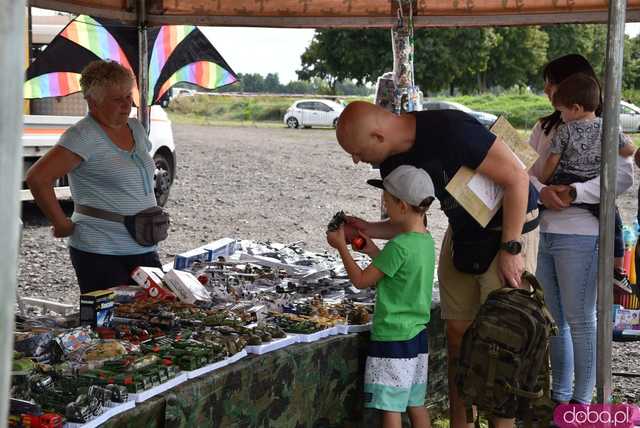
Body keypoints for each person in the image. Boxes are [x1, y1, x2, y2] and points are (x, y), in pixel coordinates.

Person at [336, 101, 539, 428]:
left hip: (510, 230)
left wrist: (512, 248)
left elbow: (516, 178)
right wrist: (367, 229)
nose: (357, 160)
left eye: (357, 152)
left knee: (501, 346)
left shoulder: (451, 130)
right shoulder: (389, 163)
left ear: (377, 135)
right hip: (464, 230)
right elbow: (410, 222)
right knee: (458, 336)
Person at [528, 54, 634, 405]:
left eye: (552, 83)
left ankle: (583, 402)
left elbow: (623, 176)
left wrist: (574, 191)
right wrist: (541, 191)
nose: (547, 91)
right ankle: (561, 397)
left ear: (575, 89)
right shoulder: (547, 127)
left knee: (580, 318)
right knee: (554, 320)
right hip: (547, 230)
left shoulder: (605, 126)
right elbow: (532, 172)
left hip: (584, 232)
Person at [26, 60, 162, 294]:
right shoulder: (83, 135)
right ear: (92, 101)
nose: (126, 105)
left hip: (143, 244)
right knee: (111, 324)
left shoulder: (135, 128)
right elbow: (38, 178)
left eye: (128, 97)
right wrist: (61, 223)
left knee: (156, 315)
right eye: (116, 99)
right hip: (100, 250)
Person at [326, 164, 436, 428]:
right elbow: (395, 270)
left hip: (392, 339)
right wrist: (368, 246)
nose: (382, 204)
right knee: (414, 403)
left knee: (390, 409)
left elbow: (361, 281)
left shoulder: (398, 246)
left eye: (386, 200)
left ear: (401, 206)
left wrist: (342, 247)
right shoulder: (425, 241)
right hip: (417, 337)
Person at [539, 72, 636, 294]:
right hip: (593, 181)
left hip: (565, 181)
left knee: (539, 205)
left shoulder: (565, 130)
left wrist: (544, 184)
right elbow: (629, 151)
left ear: (575, 108)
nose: (560, 116)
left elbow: (552, 161)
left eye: (562, 111)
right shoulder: (609, 127)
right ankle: (617, 269)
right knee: (613, 222)